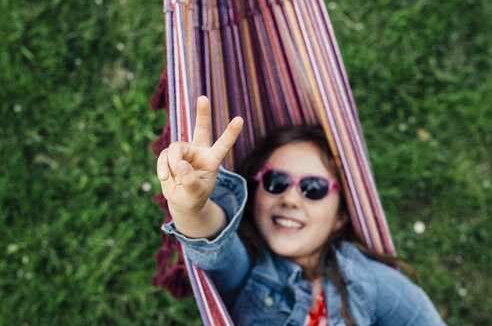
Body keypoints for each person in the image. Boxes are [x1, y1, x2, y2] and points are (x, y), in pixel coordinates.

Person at [157, 96, 446, 325]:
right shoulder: (248, 274)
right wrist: (192, 208)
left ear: (340, 216)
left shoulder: (369, 282)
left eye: (314, 188)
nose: (292, 199)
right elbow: (216, 246)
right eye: (276, 182)